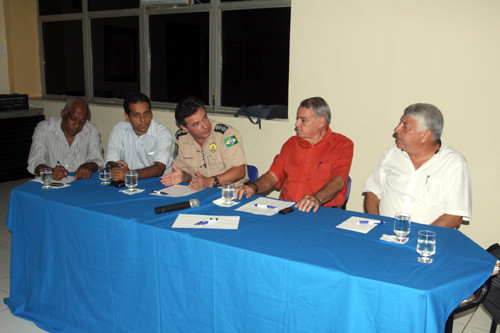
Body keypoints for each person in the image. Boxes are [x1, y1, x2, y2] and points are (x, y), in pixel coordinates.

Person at [234, 97, 354, 213]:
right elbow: (273, 175)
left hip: (322, 210)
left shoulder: (342, 144)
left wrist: (316, 198)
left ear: (321, 122)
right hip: (287, 209)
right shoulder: (291, 143)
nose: (296, 124)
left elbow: (338, 181)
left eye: (303, 120)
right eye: (297, 119)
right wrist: (253, 187)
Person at [363, 103, 471, 228]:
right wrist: (378, 225)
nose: (396, 129)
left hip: (428, 241)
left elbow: (454, 216)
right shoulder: (392, 153)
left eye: (405, 126)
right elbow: (373, 192)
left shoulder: (453, 163)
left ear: (425, 135)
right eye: (400, 123)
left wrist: (420, 237)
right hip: (385, 235)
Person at [161, 96, 247, 191]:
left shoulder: (226, 135)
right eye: (197, 124)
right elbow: (187, 175)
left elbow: (239, 171)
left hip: (230, 192)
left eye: (205, 118)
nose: (205, 125)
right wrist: (182, 176)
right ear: (184, 128)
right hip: (199, 191)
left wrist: (210, 182)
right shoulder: (181, 139)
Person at [27, 97, 104, 181]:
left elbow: (99, 161)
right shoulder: (44, 129)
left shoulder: (91, 130)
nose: (77, 125)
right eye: (73, 119)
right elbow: (34, 162)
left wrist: (89, 166)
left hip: (79, 184)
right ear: (63, 114)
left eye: (82, 122)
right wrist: (51, 171)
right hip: (51, 183)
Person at [106, 92, 174, 181]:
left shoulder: (162, 133)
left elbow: (159, 168)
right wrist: (115, 169)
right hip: (129, 182)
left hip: (159, 184)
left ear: (151, 113)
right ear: (128, 117)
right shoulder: (120, 129)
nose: (143, 119)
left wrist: (130, 173)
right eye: (137, 115)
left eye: (146, 113)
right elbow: (111, 160)